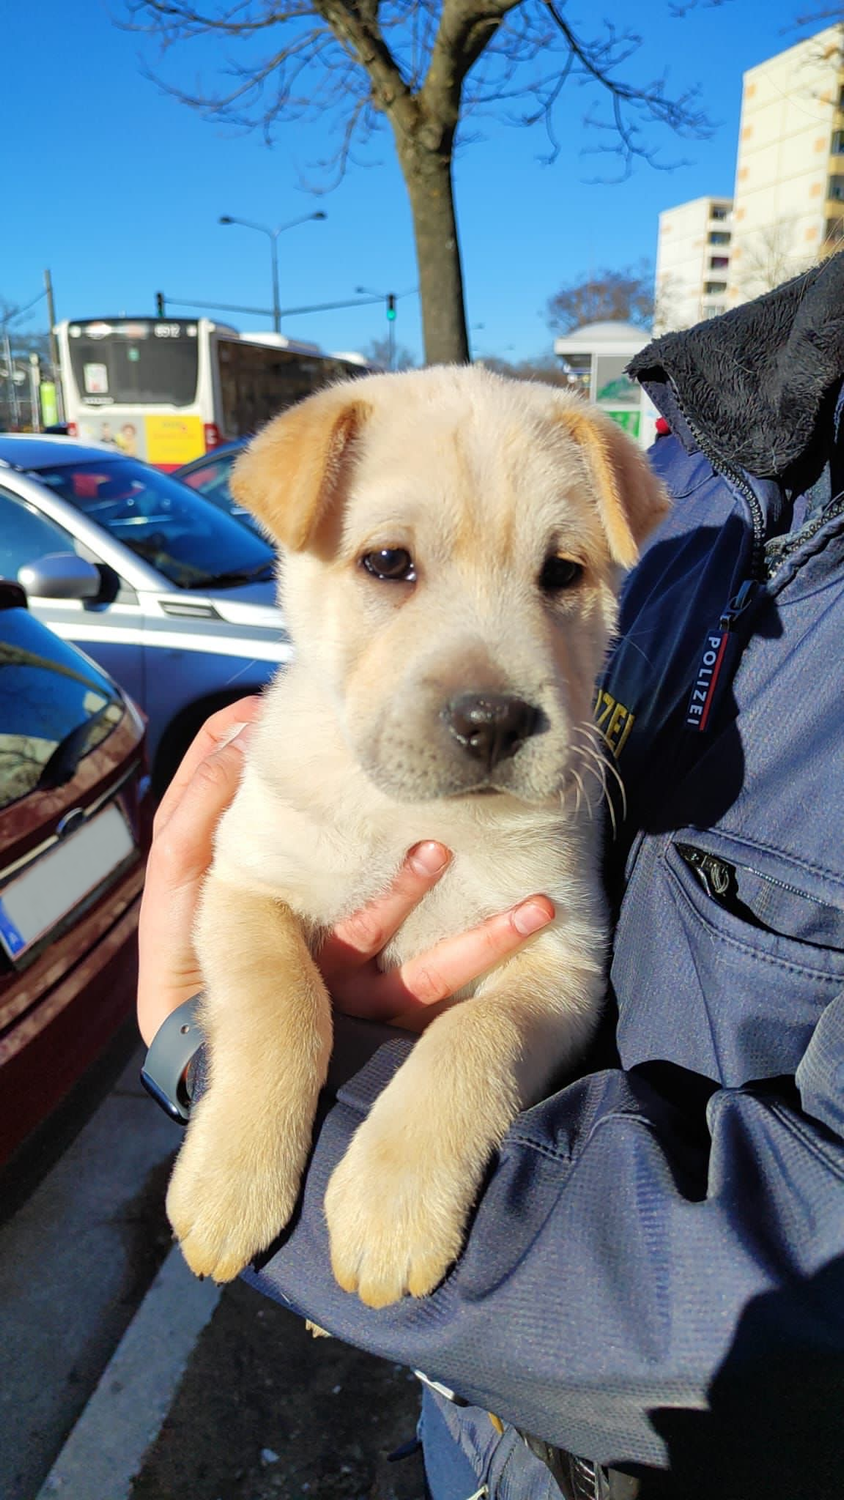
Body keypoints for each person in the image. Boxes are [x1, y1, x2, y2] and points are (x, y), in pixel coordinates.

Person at [138, 256, 844, 1500]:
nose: (492, 677)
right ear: (296, 551)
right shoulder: (297, 746)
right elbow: (243, 897)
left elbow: (552, 970)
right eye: (391, 564)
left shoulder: (563, 749)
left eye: (559, 573)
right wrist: (258, 1060)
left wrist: (452, 1083)